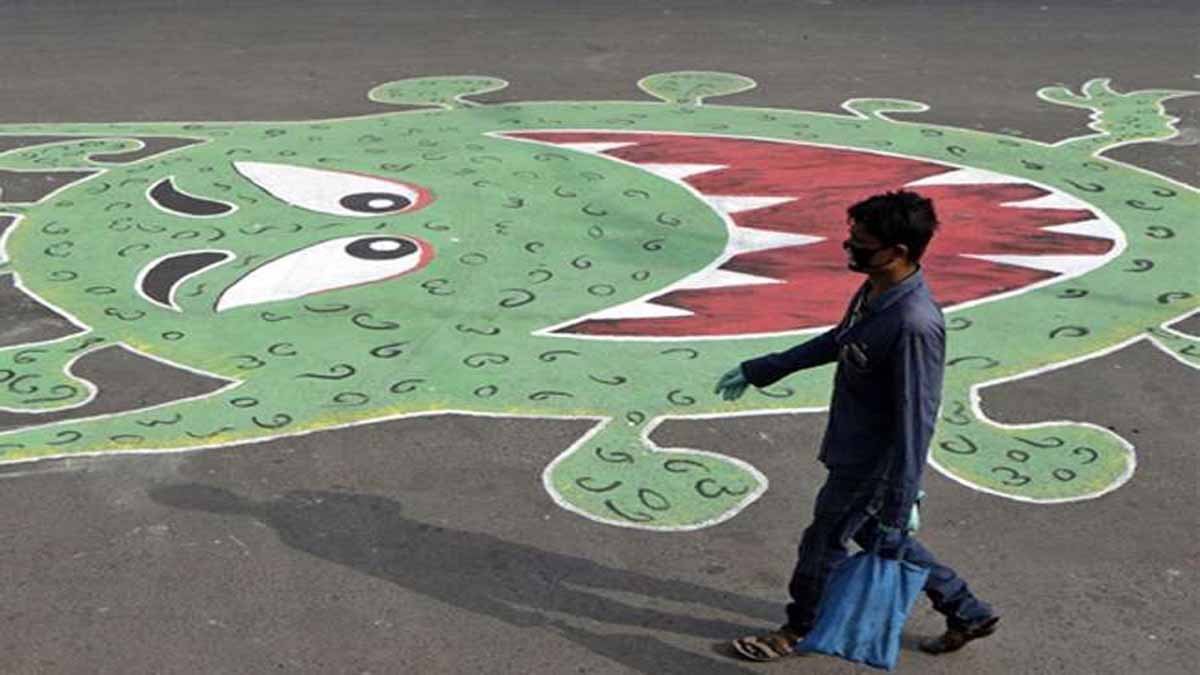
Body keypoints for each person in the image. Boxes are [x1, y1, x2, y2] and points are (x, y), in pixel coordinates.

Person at [714, 190, 999, 662]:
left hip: (873, 462)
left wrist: (902, 498)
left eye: (860, 245)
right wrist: (765, 368)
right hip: (852, 443)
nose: (849, 250)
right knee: (874, 535)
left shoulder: (913, 325)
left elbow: (916, 418)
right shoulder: (877, 289)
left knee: (823, 542)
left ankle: (799, 629)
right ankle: (966, 610)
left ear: (898, 251)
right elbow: (842, 339)